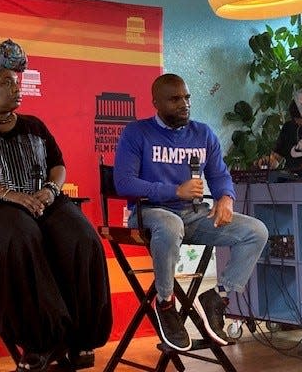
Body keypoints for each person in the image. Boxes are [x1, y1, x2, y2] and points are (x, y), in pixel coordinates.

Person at [0, 39, 112, 372]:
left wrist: (50, 191)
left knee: (81, 236)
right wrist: (9, 195)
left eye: (16, 81)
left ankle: (80, 338)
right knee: (20, 235)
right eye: (6, 82)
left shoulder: (34, 125)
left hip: (42, 202)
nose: (16, 87)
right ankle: (39, 341)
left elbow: (58, 165)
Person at [113, 73, 268, 352]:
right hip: (148, 213)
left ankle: (217, 297)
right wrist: (174, 191)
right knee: (170, 223)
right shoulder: (137, 133)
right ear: (156, 103)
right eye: (174, 99)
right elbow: (124, 183)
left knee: (255, 231)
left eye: (186, 97)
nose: (184, 104)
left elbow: (219, 175)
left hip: (194, 215)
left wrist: (226, 198)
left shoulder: (203, 133)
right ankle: (165, 303)